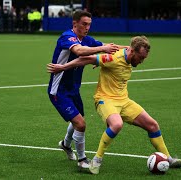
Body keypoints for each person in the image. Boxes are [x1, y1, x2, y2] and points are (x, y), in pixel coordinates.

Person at [47, 36, 181, 174]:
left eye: (144, 58)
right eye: (141, 57)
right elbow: (86, 59)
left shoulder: (130, 52)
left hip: (124, 101)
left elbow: (126, 46)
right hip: (105, 99)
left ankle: (169, 159)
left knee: (153, 125)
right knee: (116, 124)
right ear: (132, 52)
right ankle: (97, 160)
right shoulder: (113, 58)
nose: (141, 61)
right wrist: (63, 67)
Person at [47, 10, 124, 169]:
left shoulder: (87, 39)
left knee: (78, 120)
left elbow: (111, 47)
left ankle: (66, 145)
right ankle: (82, 160)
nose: (87, 27)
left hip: (74, 90)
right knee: (80, 124)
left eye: (89, 24)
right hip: (59, 91)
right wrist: (101, 49)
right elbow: (80, 51)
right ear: (75, 24)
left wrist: (133, 48)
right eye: (84, 24)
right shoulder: (67, 37)